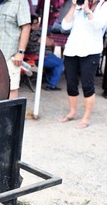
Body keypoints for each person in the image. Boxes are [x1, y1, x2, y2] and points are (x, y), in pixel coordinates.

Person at [59, 0, 107, 128]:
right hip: (72, 50)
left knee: (87, 85)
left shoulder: (103, 5)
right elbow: (65, 26)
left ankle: (86, 117)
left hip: (91, 51)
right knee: (71, 83)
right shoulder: (78, 6)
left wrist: (87, 10)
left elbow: (99, 25)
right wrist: (74, 6)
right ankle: (72, 112)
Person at [0, 0, 31, 99]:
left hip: (10, 55)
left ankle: (9, 114)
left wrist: (21, 52)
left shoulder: (20, 2)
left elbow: (26, 27)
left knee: (11, 88)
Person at [25, 15, 64, 90]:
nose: (37, 25)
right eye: (34, 24)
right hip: (39, 57)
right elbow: (50, 43)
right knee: (60, 63)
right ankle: (51, 85)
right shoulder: (34, 34)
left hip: (34, 56)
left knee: (55, 61)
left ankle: (47, 79)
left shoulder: (26, 33)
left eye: (37, 23)